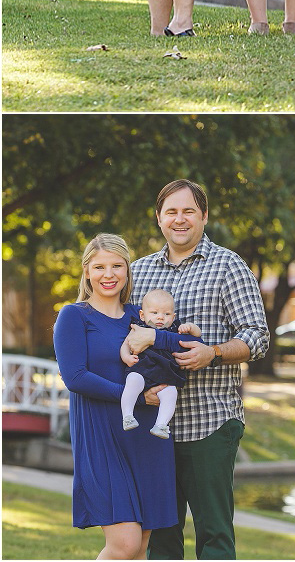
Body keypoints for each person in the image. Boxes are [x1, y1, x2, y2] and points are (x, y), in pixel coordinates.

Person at [129, 179, 269, 559]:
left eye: (188, 210)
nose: (179, 219)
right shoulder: (137, 273)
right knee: (160, 536)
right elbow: (122, 341)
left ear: (204, 216)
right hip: (152, 427)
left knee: (215, 536)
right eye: (170, 211)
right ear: (158, 218)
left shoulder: (228, 266)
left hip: (210, 421)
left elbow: (257, 336)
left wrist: (214, 353)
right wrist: (139, 390)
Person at [53, 234, 184, 560]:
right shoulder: (74, 316)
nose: (107, 274)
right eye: (99, 266)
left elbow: (177, 346)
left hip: (147, 437)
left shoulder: (139, 317)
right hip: (101, 435)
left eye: (116, 265)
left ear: (127, 271)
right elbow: (75, 377)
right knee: (123, 545)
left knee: (139, 548)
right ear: (86, 272)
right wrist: (138, 399)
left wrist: (166, 336)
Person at [120, 288, 203, 439]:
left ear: (173, 316)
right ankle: (127, 415)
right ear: (142, 315)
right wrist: (126, 357)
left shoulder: (175, 329)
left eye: (166, 314)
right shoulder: (139, 327)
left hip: (165, 376)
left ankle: (161, 425)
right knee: (132, 382)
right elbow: (126, 344)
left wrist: (191, 328)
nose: (160, 318)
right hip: (141, 370)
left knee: (171, 394)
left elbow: (197, 337)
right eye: (155, 313)